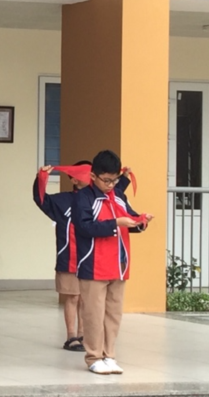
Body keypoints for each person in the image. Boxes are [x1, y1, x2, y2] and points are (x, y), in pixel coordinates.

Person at [33, 161, 131, 352]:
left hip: (92, 258)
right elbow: (41, 199)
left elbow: (116, 194)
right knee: (72, 297)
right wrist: (41, 178)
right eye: (84, 173)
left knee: (88, 300)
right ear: (74, 179)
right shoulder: (63, 201)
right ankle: (71, 336)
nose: (90, 176)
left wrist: (124, 178)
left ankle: (84, 334)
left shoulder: (99, 198)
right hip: (69, 257)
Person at [74, 150, 151, 375]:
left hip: (119, 263)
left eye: (115, 180)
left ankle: (109, 355)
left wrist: (141, 222)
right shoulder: (83, 197)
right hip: (94, 264)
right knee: (94, 314)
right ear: (93, 176)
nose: (110, 185)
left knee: (114, 314)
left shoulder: (118, 195)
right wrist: (115, 223)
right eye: (106, 180)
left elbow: (130, 217)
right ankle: (93, 357)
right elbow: (84, 227)